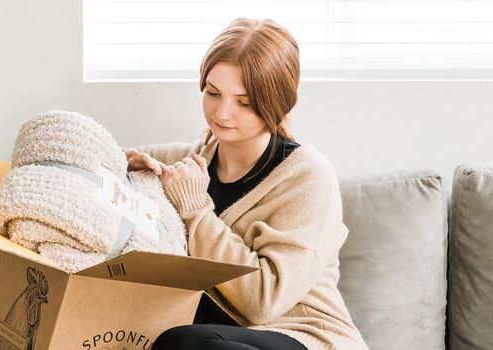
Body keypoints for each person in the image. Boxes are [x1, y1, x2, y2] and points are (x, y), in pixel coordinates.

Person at [125, 18, 368, 350]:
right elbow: (101, 157)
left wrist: (195, 209)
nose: (222, 113)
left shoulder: (309, 177)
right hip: (219, 336)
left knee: (185, 342)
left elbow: (262, 302)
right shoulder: (189, 159)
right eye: (213, 93)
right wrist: (122, 168)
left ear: (276, 103)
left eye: (244, 102)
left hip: (303, 335)